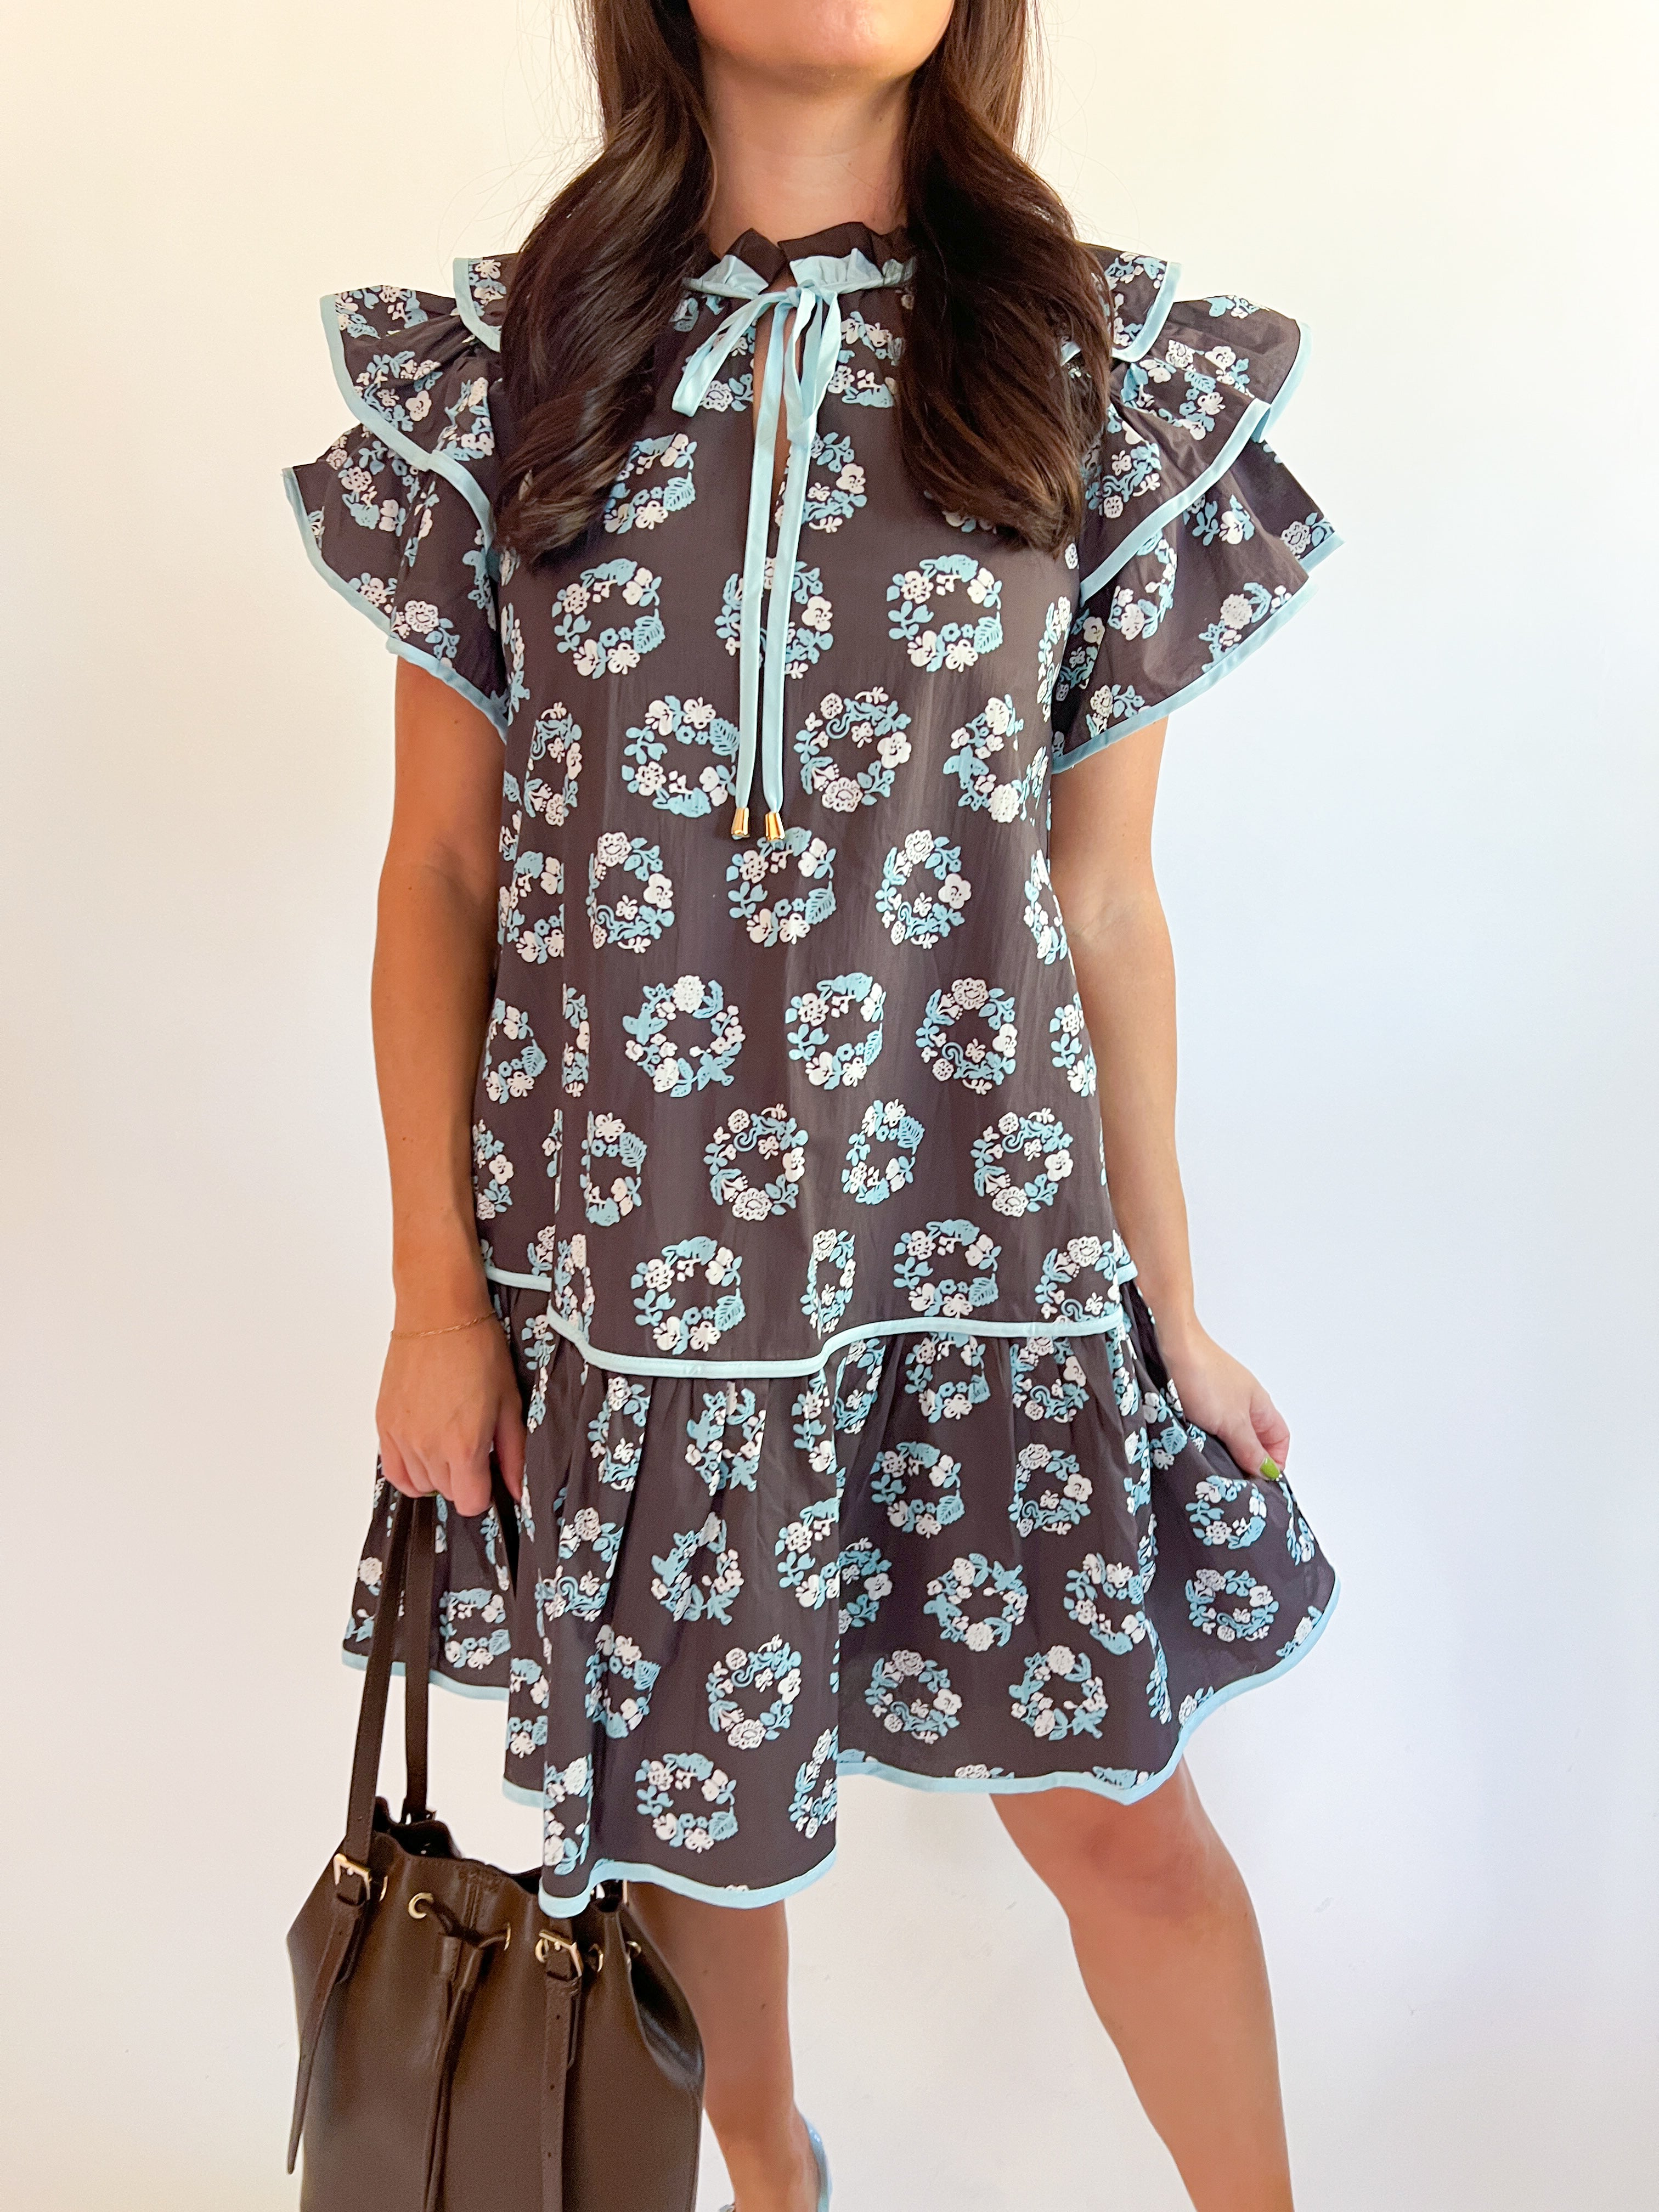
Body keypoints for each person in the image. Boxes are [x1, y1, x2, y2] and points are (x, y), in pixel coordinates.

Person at [283, 3, 1341, 2205]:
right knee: (693, 1827)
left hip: (983, 1251)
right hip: (642, 1266)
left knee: (1123, 1827)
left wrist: (1167, 1305)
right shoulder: (503, 372)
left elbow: (1103, 898)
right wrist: (437, 1302)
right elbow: (442, 872)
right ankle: (775, 2178)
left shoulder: (1094, 365)